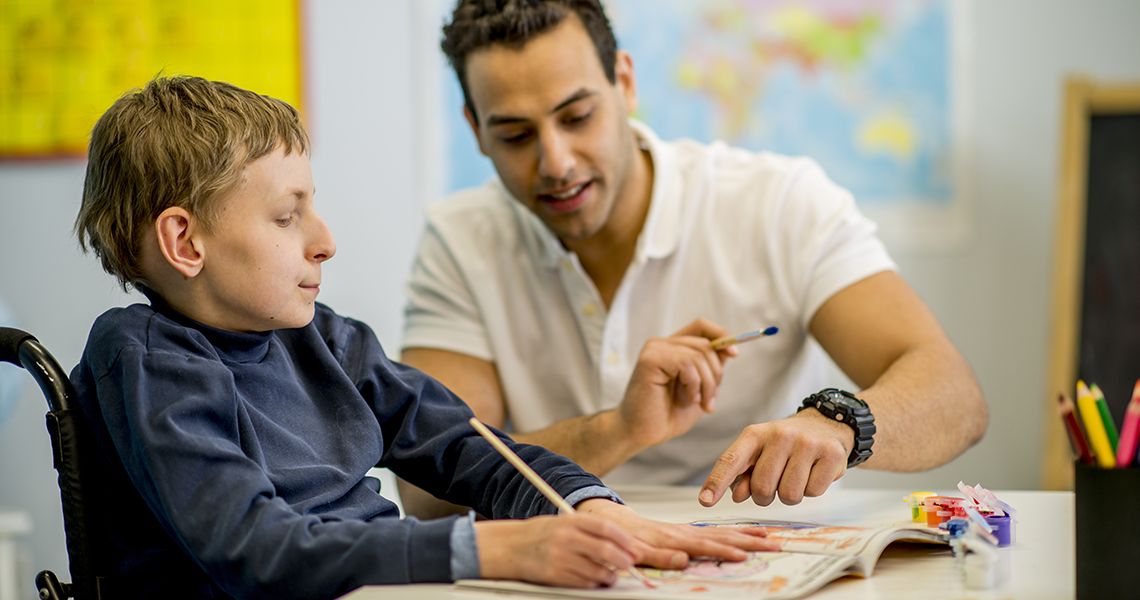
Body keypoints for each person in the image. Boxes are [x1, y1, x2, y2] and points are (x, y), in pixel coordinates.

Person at [69, 76, 776, 599]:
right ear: (183, 241)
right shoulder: (143, 358)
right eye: (287, 218)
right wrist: (499, 548)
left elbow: (472, 447)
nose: (325, 242)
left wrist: (588, 508)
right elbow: (256, 552)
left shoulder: (325, 339)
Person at [399, 0, 987, 516]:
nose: (556, 162)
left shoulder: (781, 202)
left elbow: (954, 396)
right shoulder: (460, 240)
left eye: (578, 117)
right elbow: (428, 490)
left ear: (624, 84)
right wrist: (619, 430)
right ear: (476, 130)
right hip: (562, 561)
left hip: (770, 555)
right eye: (516, 136)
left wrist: (838, 424)